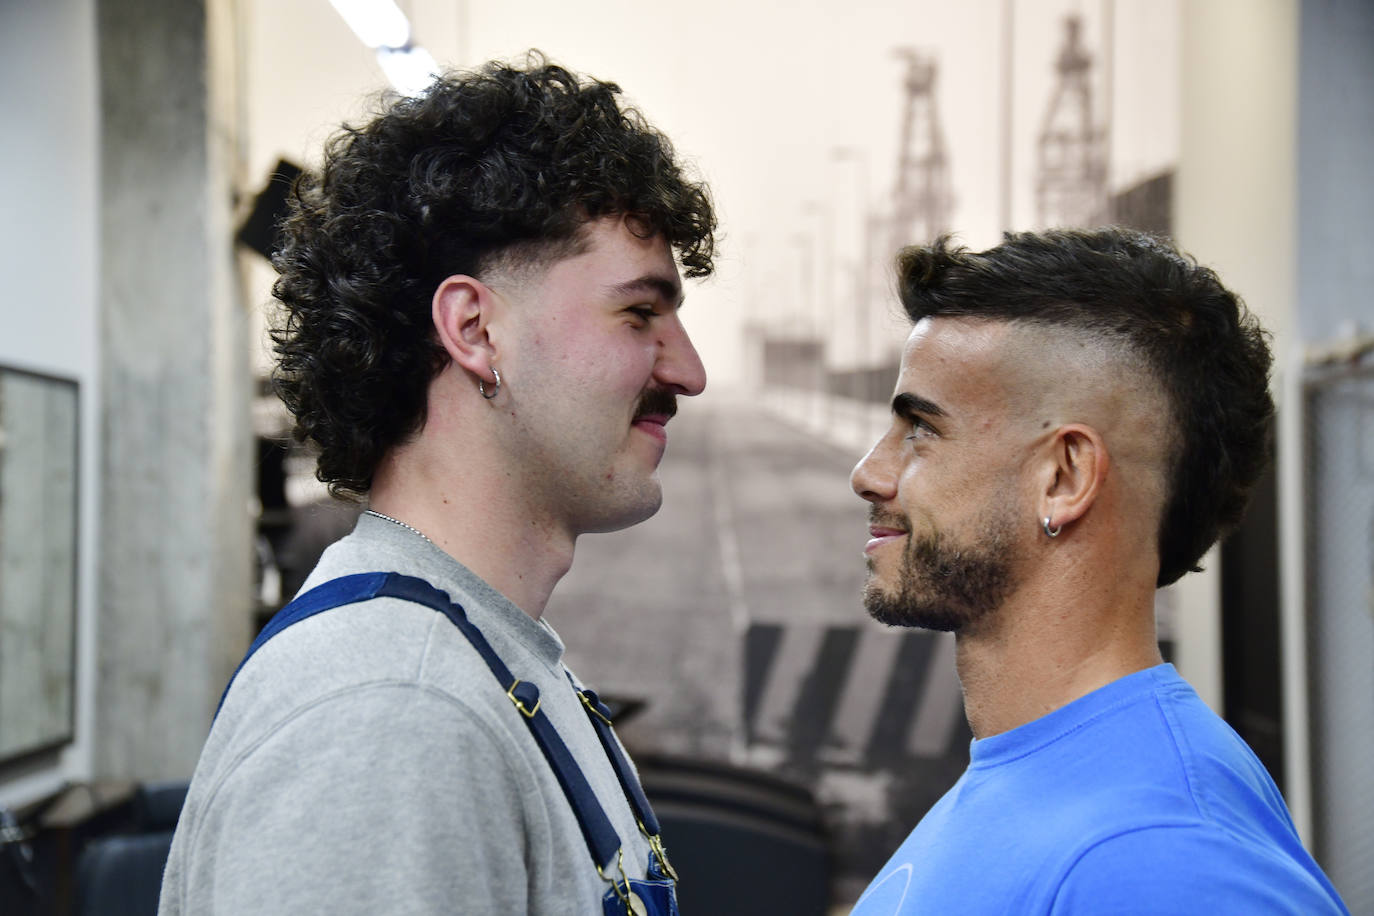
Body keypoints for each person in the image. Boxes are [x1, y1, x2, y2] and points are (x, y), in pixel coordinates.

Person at [160, 54, 715, 915]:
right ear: (474, 328)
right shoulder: (390, 715)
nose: (689, 370)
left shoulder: (480, 667)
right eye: (640, 313)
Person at [848, 229, 1349, 914]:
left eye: (921, 429)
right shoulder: (1043, 779)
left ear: (1064, 477)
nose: (869, 473)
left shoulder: (1163, 861)